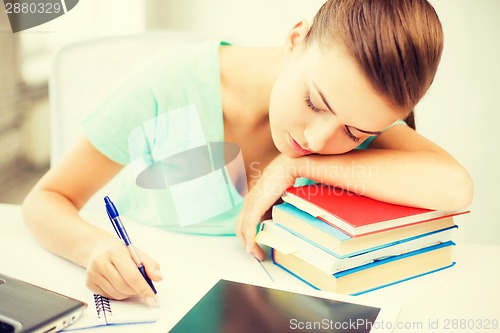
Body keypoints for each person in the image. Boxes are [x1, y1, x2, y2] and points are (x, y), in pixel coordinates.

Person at [22, 0, 473, 306]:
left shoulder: (356, 122)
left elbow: (456, 187)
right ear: (297, 37)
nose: (319, 139)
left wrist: (295, 164)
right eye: (315, 102)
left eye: (354, 134)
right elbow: (47, 199)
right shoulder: (168, 85)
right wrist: (95, 248)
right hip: (148, 296)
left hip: (268, 305)